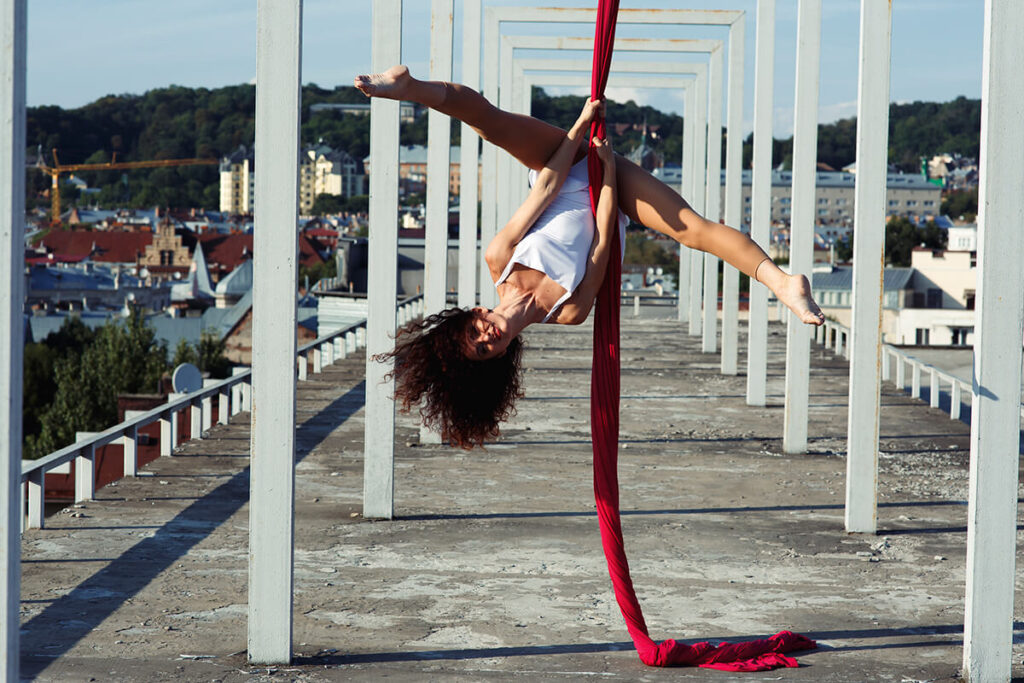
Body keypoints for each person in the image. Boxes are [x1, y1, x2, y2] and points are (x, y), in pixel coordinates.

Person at [356, 65, 824, 448]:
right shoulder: (569, 313)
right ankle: (784, 283)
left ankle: (408, 87)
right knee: (690, 230)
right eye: (484, 349)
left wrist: (581, 130)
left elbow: (545, 188)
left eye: (475, 332)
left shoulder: (499, 260)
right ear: (498, 356)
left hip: (563, 160)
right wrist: (607, 173)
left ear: (476, 314)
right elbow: (602, 244)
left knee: (492, 123)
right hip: (608, 191)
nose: (487, 337)